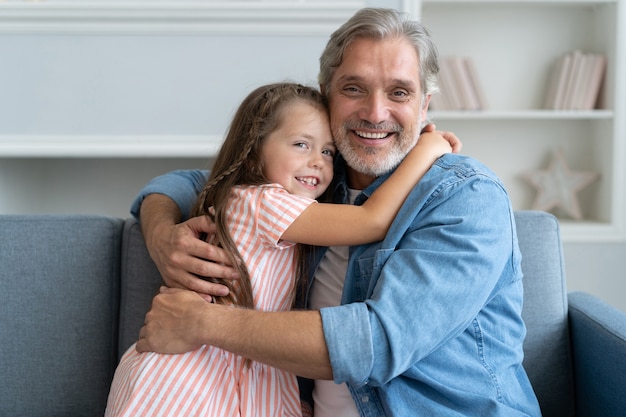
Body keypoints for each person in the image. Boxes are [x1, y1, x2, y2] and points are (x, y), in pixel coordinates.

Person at [132, 7, 542, 417]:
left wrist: (202, 323)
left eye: (399, 92)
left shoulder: (465, 195)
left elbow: (378, 343)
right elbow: (192, 181)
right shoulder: (318, 178)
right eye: (354, 89)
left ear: (424, 107)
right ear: (326, 93)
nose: (375, 112)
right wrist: (162, 234)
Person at [106, 82, 453, 417]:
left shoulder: (282, 201)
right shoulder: (260, 202)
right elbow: (372, 220)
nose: (318, 161)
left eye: (328, 151)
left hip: (243, 369)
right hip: (191, 372)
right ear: (255, 149)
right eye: (301, 144)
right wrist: (426, 151)